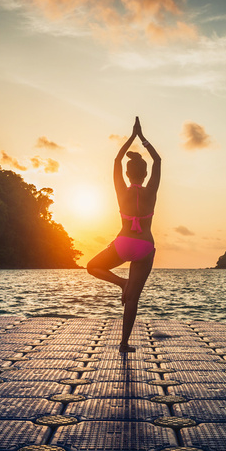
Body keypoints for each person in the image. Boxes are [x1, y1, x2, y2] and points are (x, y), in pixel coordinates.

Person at [87, 117, 161, 353]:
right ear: (146, 173)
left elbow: (118, 159)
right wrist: (143, 138)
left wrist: (131, 137)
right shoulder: (151, 191)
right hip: (145, 247)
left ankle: (122, 282)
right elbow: (158, 159)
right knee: (133, 299)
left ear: (128, 174)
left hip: (123, 243)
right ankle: (124, 343)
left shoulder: (121, 190)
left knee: (92, 266)